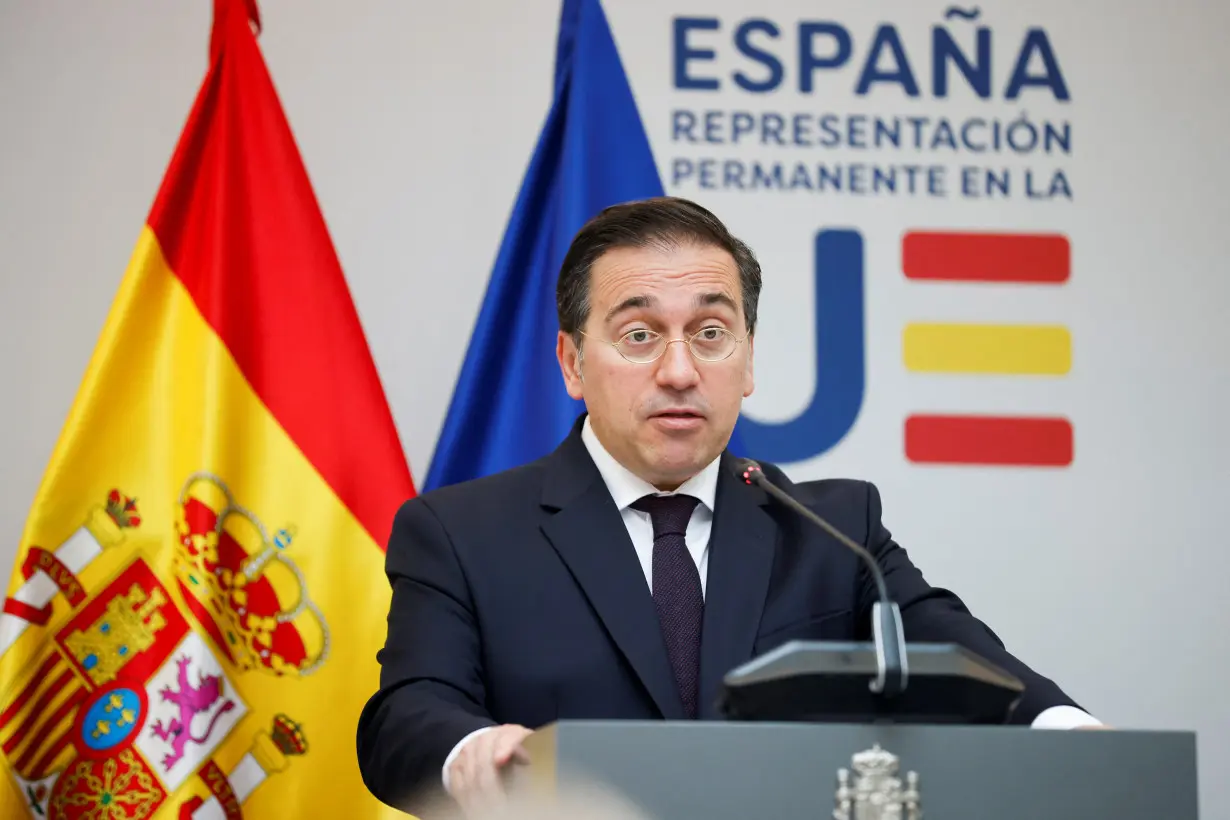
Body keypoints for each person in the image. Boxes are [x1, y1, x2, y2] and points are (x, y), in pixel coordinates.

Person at [355, 197, 1101, 816]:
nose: (679, 371)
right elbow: (408, 712)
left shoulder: (833, 532)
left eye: (711, 334)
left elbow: (960, 655)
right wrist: (472, 756)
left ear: (747, 360)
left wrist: (1065, 728)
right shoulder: (461, 532)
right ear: (573, 363)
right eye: (639, 335)